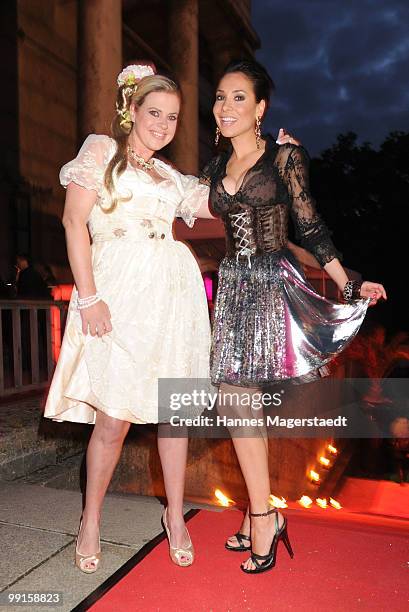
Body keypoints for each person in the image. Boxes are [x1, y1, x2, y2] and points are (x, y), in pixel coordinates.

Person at [199, 59, 387, 574]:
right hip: (232, 290)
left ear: (260, 108)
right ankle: (257, 514)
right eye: (219, 96)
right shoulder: (214, 171)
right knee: (239, 406)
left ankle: (263, 515)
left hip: (270, 288)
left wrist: (348, 282)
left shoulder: (284, 158)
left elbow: (311, 227)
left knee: (238, 402)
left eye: (239, 97)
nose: (225, 106)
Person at [43, 65, 215, 572]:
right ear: (133, 111)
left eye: (173, 117)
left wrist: (263, 156)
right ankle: (91, 519)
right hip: (117, 295)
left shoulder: (173, 177)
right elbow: (75, 221)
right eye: (154, 112)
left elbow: (225, 198)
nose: (163, 124)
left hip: (172, 299)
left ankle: (175, 517)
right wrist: (89, 297)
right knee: (113, 419)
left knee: (173, 413)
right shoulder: (101, 150)